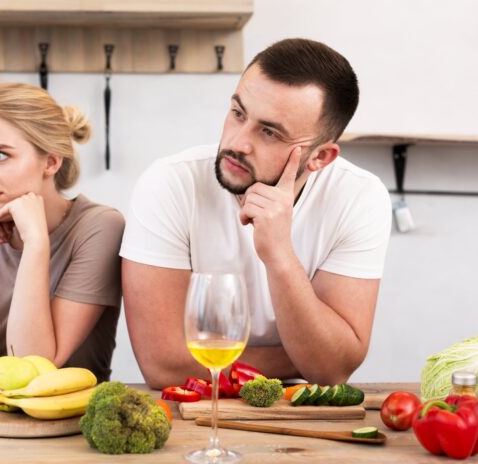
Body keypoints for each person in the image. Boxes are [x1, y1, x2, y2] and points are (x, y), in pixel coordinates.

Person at [120, 38, 392, 389]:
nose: (237, 143)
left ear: (319, 157)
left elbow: (331, 370)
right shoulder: (169, 183)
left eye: (269, 132)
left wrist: (279, 256)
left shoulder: (359, 197)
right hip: (197, 407)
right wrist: (301, 356)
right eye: (238, 114)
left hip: (298, 412)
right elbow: (163, 365)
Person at [0, 83, 124, 384]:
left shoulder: (99, 228)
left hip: (79, 413)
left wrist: (36, 243)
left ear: (51, 161)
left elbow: (33, 367)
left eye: (0, 155)